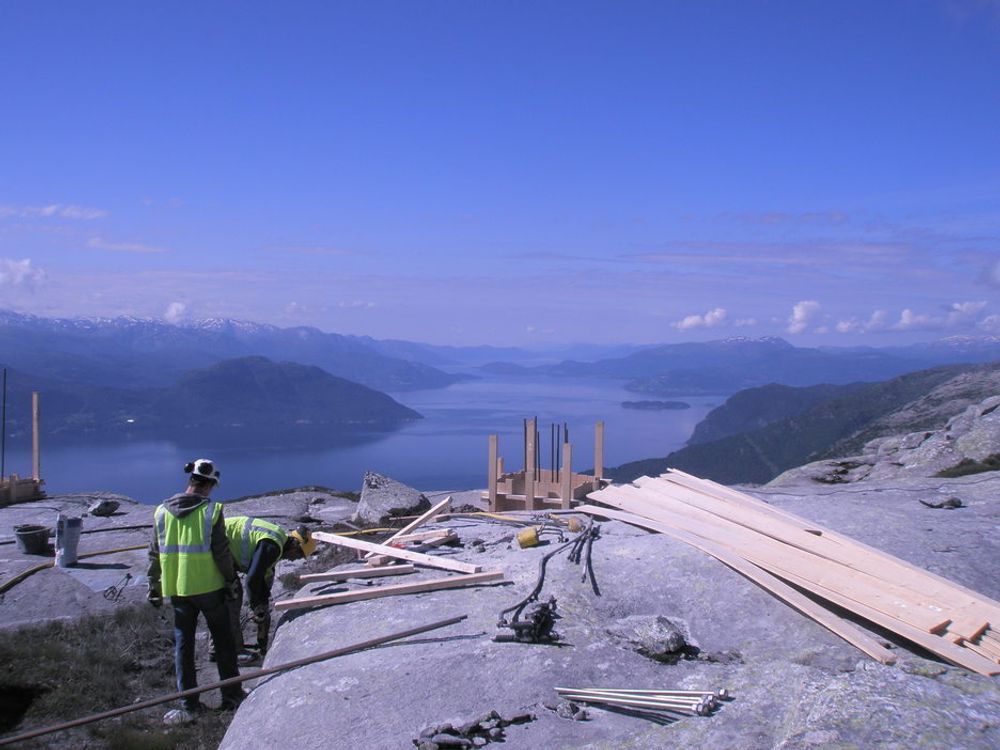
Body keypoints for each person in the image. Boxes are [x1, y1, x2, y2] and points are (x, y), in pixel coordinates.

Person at [147, 458, 245, 717]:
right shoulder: (210, 511)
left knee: (183, 646)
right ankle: (232, 696)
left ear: (190, 480)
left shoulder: (160, 512)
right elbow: (221, 552)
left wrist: (153, 587)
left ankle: (189, 705)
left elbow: (154, 554)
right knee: (223, 643)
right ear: (210, 485)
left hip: (178, 590)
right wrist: (230, 581)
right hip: (210, 588)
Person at [222, 516, 316, 662]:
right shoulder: (273, 546)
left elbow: (261, 578)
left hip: (221, 546)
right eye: (298, 554)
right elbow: (252, 580)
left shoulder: (277, 543)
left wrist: (264, 601)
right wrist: (256, 607)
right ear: (295, 544)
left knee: (232, 594)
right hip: (215, 544)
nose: (295, 559)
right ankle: (230, 650)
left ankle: (221, 647)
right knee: (233, 596)